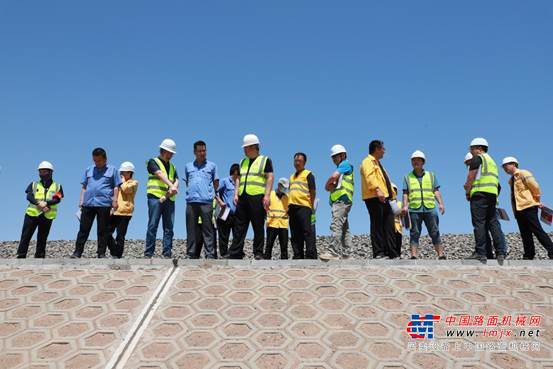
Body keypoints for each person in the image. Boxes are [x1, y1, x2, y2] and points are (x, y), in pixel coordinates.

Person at [228, 134, 274, 260]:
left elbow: (270, 177)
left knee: (258, 226)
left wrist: (267, 195)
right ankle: (235, 252)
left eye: (246, 147)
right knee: (239, 226)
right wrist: (236, 193)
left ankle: (258, 253)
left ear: (253, 147)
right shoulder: (243, 161)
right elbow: (239, 179)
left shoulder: (265, 160)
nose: (244, 150)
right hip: (243, 197)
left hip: (257, 197)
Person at [71, 148, 121, 258]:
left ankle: (101, 253)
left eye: (99, 160)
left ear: (105, 159)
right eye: (95, 160)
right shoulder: (88, 170)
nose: (97, 163)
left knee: (102, 230)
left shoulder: (113, 170)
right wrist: (81, 201)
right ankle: (77, 252)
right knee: (83, 229)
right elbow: (84, 187)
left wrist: (115, 200)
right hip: (88, 203)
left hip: (104, 204)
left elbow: (116, 186)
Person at [464, 137, 506, 265]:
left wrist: (467, 190)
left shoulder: (478, 158)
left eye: (472, 149)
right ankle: (500, 252)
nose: (471, 151)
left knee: (479, 223)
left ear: (479, 148)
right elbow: (498, 185)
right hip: (492, 196)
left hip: (479, 195)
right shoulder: (491, 161)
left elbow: (471, 176)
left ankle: (481, 253)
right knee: (493, 223)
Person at [502, 156, 553, 260]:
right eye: (503, 167)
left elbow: (535, 187)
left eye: (506, 165)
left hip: (529, 206)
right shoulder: (511, 180)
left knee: (537, 230)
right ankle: (529, 254)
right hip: (518, 209)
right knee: (525, 233)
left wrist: (536, 200)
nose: (505, 168)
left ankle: (552, 251)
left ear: (514, 164)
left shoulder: (524, 173)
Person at [401, 150, 446, 260]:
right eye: (413, 160)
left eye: (418, 160)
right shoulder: (407, 177)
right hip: (414, 209)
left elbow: (436, 190)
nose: (415, 162)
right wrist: (405, 206)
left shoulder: (431, 176)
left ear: (423, 162)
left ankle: (441, 254)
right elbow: (405, 193)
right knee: (414, 232)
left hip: (430, 208)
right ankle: (414, 255)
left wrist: (441, 203)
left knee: (434, 231)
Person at [17, 161, 63, 258]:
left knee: (42, 237)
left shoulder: (58, 186)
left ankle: (39, 256)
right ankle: (21, 255)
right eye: (40, 172)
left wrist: (47, 203)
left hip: (47, 214)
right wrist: (38, 203)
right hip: (31, 215)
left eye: (44, 172)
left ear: (50, 172)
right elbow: (29, 196)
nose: (42, 174)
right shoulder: (33, 184)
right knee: (26, 235)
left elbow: (57, 199)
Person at [360, 140, 398, 259]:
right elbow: (369, 176)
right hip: (374, 197)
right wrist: (377, 190)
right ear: (377, 149)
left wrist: (392, 195)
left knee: (388, 224)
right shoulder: (367, 161)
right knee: (377, 224)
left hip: (385, 197)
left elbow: (385, 181)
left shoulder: (378, 163)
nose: (384, 151)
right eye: (383, 148)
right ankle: (379, 252)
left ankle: (391, 252)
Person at [145, 138, 179, 258]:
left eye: (172, 153)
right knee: (153, 225)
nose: (171, 155)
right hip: (155, 198)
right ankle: (149, 253)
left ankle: (167, 252)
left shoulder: (172, 166)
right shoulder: (152, 162)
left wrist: (174, 187)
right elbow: (159, 174)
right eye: (169, 152)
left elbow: (177, 180)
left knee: (169, 227)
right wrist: (171, 186)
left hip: (169, 199)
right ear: (163, 150)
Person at [184, 141, 218, 259]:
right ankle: (191, 253)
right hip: (191, 202)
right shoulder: (188, 166)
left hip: (206, 202)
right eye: (200, 151)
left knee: (207, 229)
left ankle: (209, 254)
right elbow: (188, 181)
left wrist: (214, 196)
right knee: (191, 230)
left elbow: (215, 182)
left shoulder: (212, 166)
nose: (202, 153)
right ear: (194, 152)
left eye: (204, 150)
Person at [320, 144, 354, 261]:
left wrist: (326, 186)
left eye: (336, 156)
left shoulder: (345, 165)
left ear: (343, 155)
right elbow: (334, 182)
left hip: (341, 200)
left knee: (336, 225)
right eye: (332, 157)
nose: (334, 159)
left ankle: (333, 252)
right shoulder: (343, 170)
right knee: (344, 228)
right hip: (343, 201)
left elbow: (332, 178)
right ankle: (347, 253)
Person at [288, 152, 317, 259]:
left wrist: (311, 205)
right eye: (295, 161)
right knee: (295, 233)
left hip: (304, 206)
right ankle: (297, 255)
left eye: (299, 161)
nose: (297, 163)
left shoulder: (308, 174)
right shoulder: (291, 177)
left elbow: (313, 191)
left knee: (307, 231)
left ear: (304, 162)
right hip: (292, 207)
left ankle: (310, 255)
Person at [106, 162, 138, 258]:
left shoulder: (134, 183)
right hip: (115, 211)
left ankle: (118, 255)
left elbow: (126, 190)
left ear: (129, 173)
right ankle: (114, 251)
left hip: (126, 213)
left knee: (120, 235)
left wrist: (122, 181)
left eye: (124, 172)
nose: (122, 174)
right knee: (106, 232)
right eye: (121, 172)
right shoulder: (118, 183)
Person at [216, 164, 240, 257]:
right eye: (236, 174)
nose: (237, 177)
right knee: (223, 234)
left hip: (237, 213)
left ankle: (235, 253)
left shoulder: (241, 184)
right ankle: (224, 253)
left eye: (239, 175)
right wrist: (220, 202)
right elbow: (215, 191)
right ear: (233, 172)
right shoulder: (225, 181)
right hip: (225, 210)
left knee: (237, 234)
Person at [264, 178, 290, 260]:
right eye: (283, 187)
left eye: (285, 188)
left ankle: (284, 263)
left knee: (284, 247)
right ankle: (266, 262)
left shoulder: (287, 197)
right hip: (272, 224)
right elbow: (264, 207)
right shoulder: (270, 195)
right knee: (269, 245)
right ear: (279, 185)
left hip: (283, 225)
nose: (284, 189)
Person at [392, 183, 403, 258]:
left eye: (395, 190)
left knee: (398, 243)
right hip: (390, 227)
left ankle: (398, 256)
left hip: (398, 227)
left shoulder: (399, 203)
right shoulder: (386, 203)